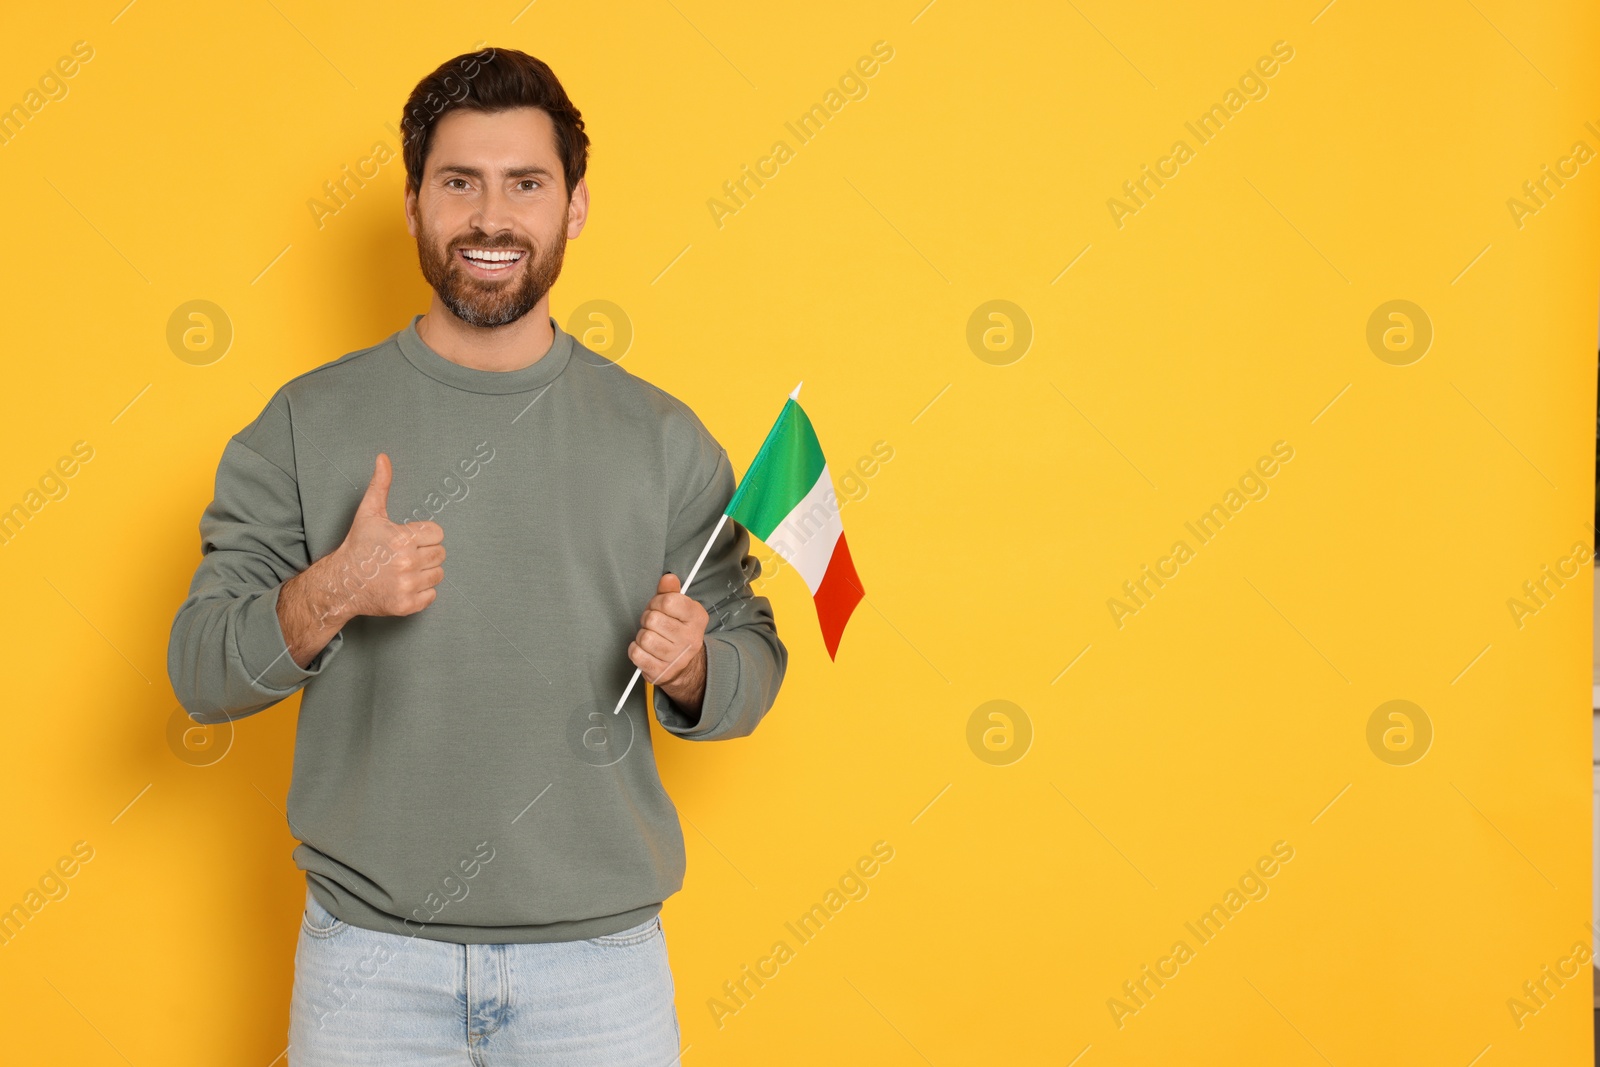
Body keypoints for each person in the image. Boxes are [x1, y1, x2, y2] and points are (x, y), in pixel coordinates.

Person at [165, 45, 787, 1065]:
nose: (491, 218)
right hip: (366, 966)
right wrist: (330, 592)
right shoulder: (303, 422)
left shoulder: (664, 437)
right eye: (460, 182)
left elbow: (753, 662)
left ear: (574, 206)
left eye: (525, 184)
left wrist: (695, 667)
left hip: (601, 974)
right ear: (413, 204)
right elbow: (198, 671)